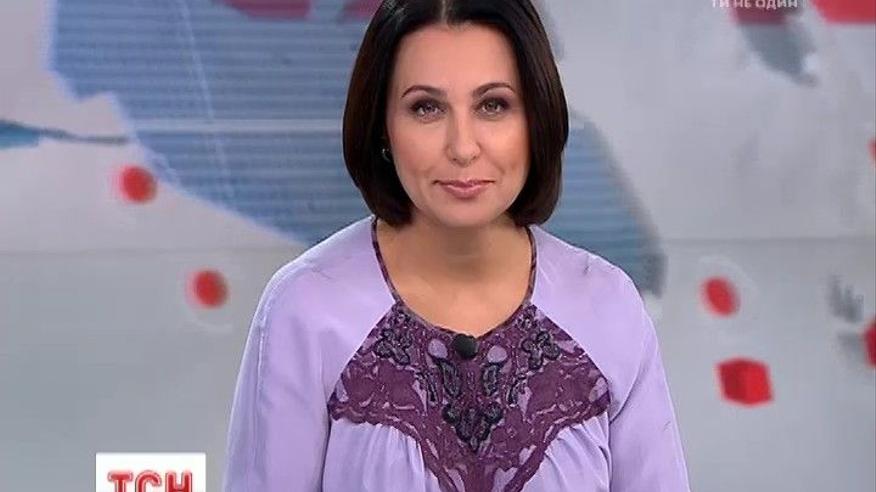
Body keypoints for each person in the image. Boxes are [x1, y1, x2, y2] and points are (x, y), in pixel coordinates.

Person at [222, 1, 691, 490]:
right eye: (426, 108)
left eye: (493, 105)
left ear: (537, 119)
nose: (463, 147)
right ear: (383, 128)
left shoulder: (609, 306)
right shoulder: (304, 308)